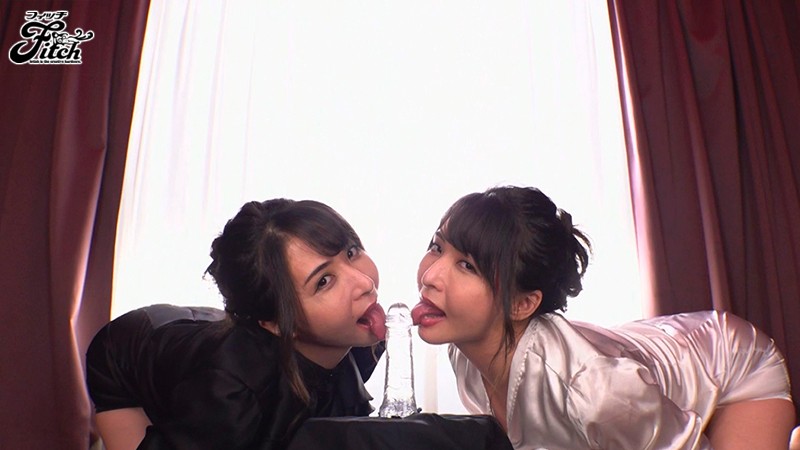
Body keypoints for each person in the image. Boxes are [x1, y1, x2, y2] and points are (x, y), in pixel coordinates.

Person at [411, 185, 796, 450]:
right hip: (648, 364)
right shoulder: (464, 347)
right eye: (437, 247)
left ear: (522, 304)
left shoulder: (596, 392)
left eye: (467, 265)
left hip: (733, 371)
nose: (430, 275)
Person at [86, 199, 387, 450]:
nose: (364, 282)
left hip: (204, 340)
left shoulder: (360, 335)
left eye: (351, 252)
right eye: (324, 281)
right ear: (276, 323)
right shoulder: (230, 396)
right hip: (124, 362)